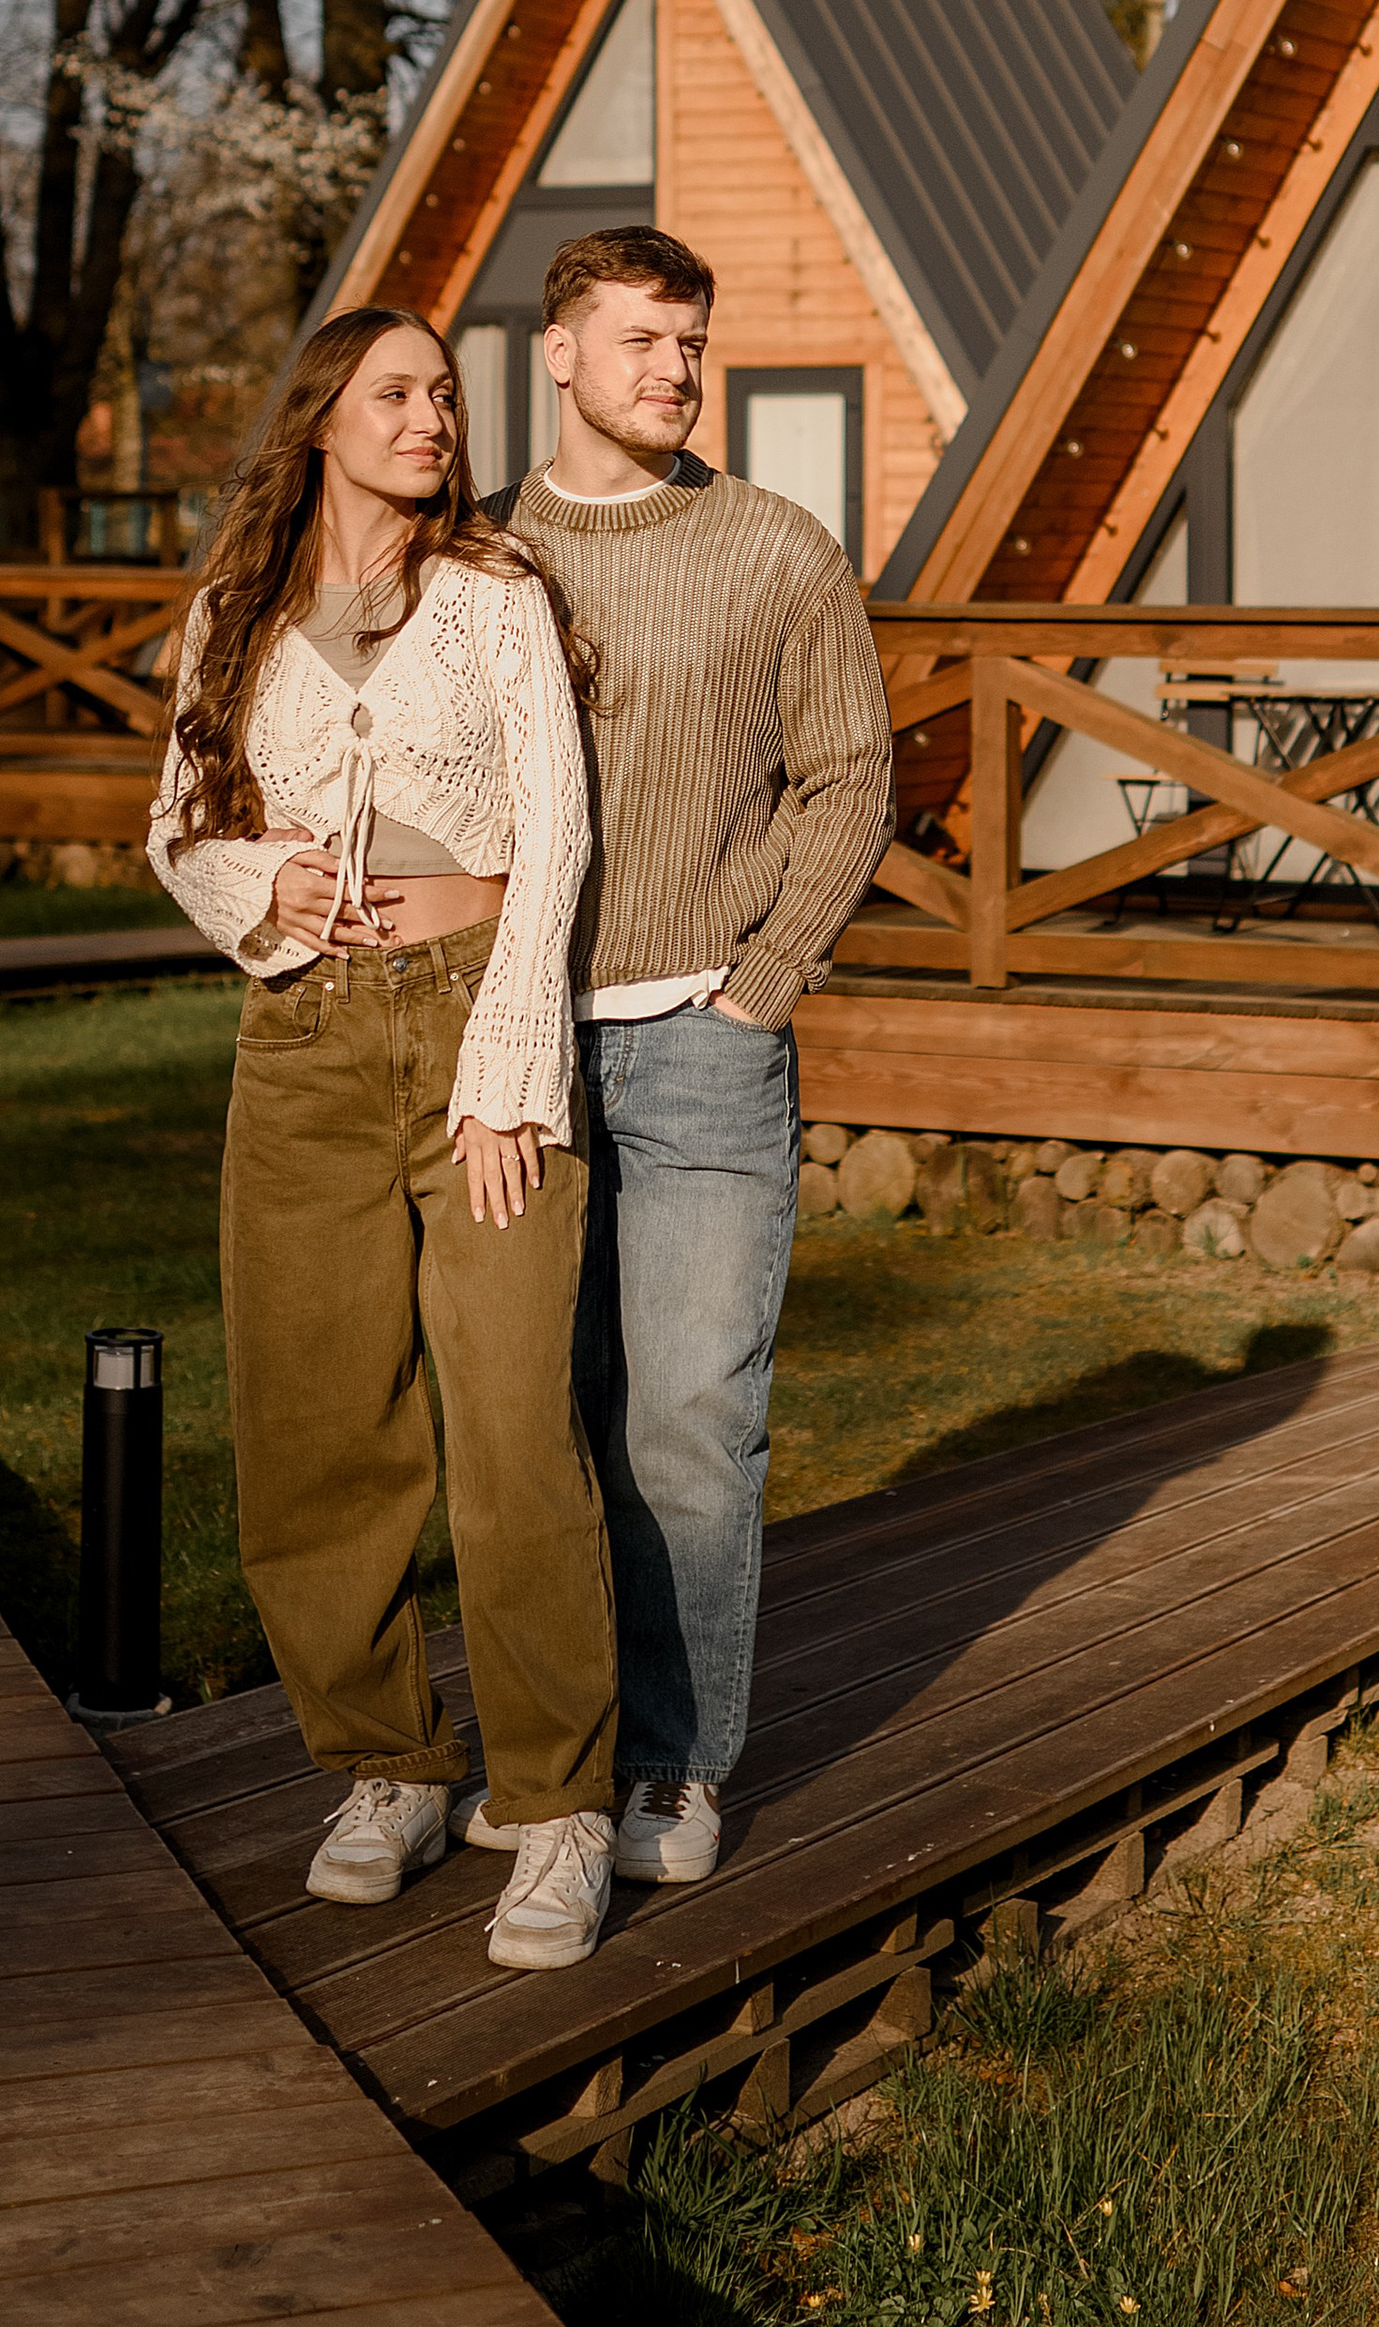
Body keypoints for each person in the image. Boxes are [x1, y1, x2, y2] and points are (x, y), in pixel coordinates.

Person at [146, 304, 621, 1972]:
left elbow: (557, 833)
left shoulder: (494, 596)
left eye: (444, 398)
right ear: (323, 416)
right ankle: (387, 1765)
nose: (432, 419)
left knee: (509, 1426)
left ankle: (558, 1806)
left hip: (478, 1025)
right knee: (314, 1427)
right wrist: (253, 887)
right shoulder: (235, 617)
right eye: (399, 393)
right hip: (300, 1045)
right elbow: (178, 826)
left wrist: (509, 1062)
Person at [451, 227, 892, 1890]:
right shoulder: (476, 557)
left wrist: (759, 989)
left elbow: (850, 784)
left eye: (692, 345)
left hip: (707, 1049)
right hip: (514, 1057)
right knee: (529, 1426)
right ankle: (547, 1758)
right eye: (641, 341)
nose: (675, 372)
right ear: (554, 352)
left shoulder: (776, 548)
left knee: (690, 1425)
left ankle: (674, 1765)